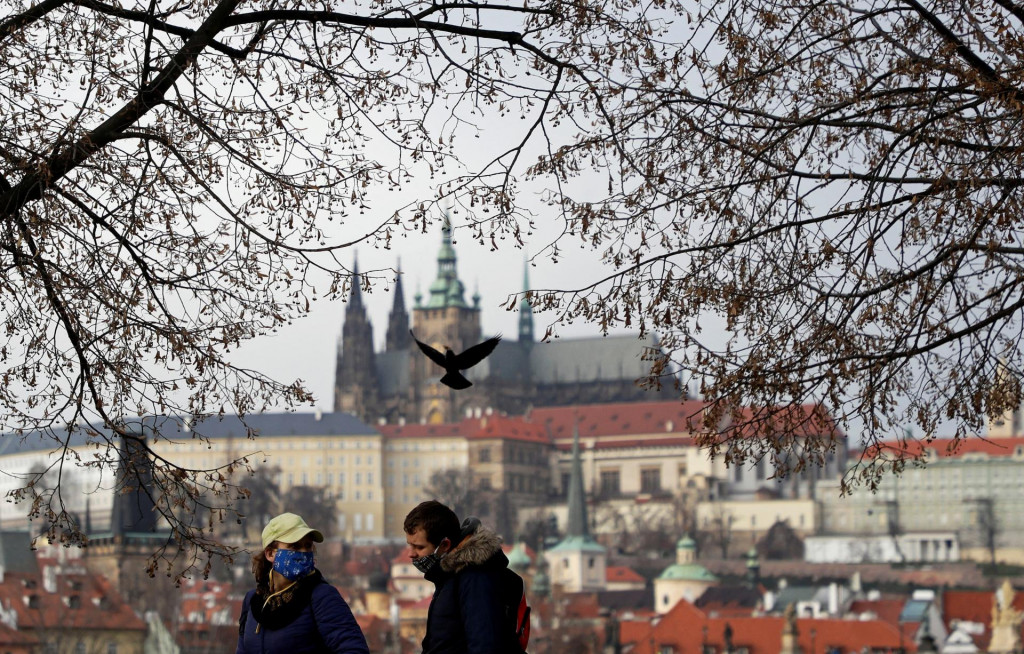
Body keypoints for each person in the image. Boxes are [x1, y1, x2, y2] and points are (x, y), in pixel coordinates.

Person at [237, 512, 369, 654]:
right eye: (294, 547)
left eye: (307, 546)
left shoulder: (322, 597)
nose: (304, 553)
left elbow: (353, 649)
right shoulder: (253, 601)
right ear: (270, 554)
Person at [405, 500, 519, 654]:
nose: (411, 554)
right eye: (409, 545)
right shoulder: (450, 576)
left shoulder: (475, 578)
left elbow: (485, 645)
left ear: (445, 545)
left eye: (419, 547)